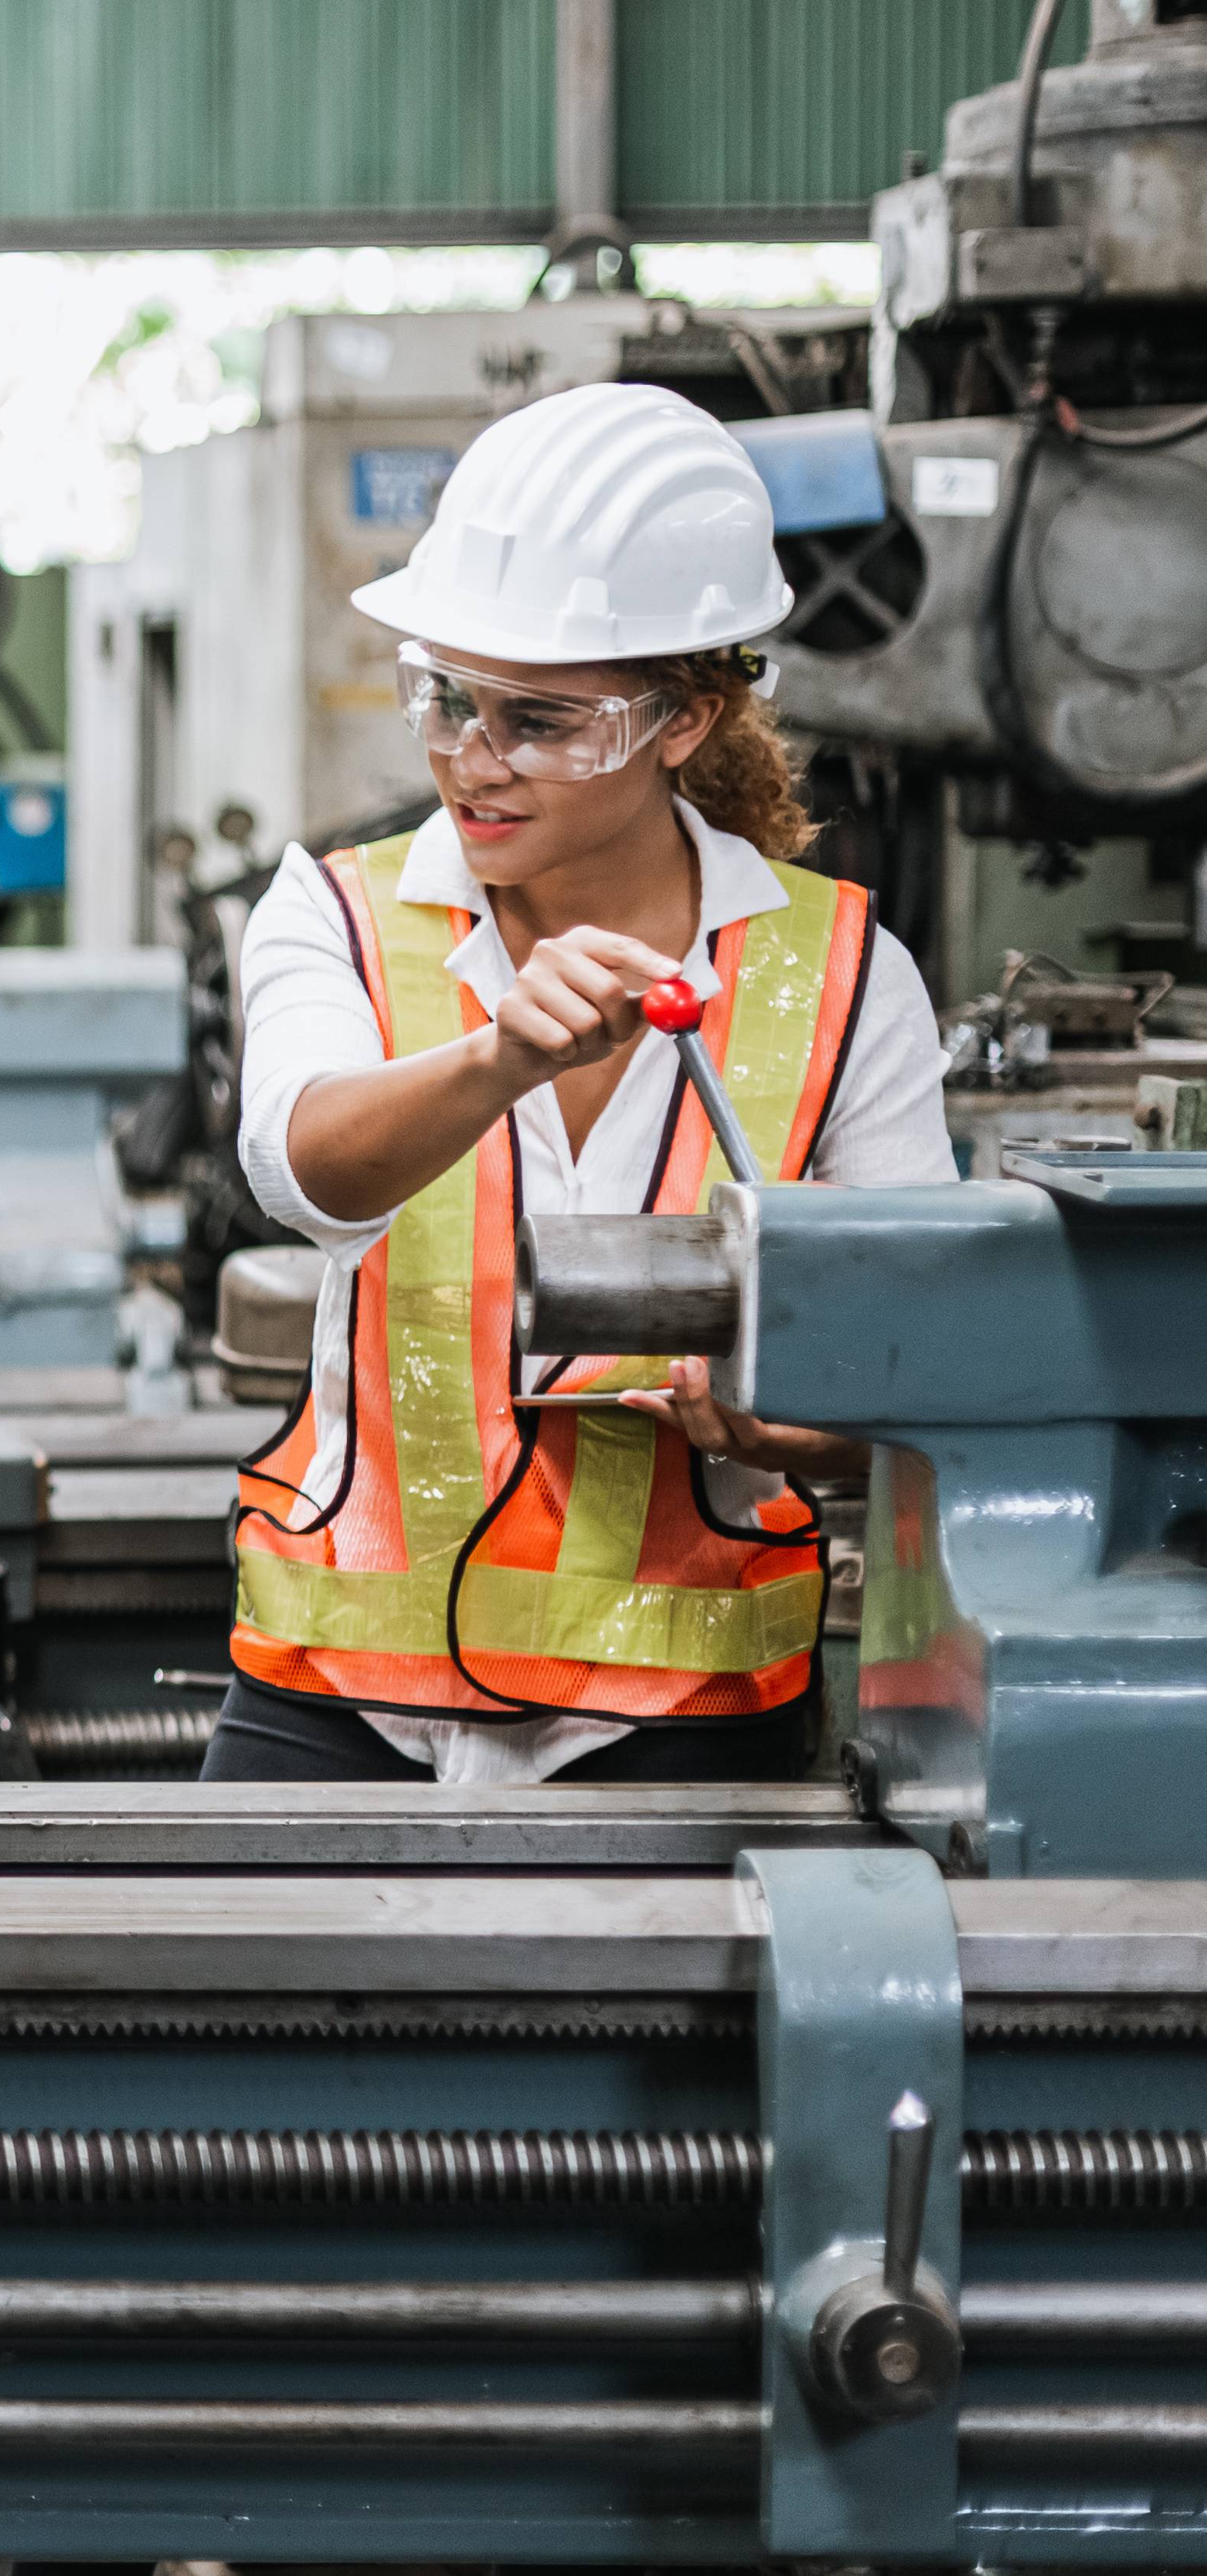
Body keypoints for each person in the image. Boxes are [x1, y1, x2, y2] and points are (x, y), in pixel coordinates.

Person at [210, 382, 953, 1786]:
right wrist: (498, 1057)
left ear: (683, 719)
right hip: (343, 1701)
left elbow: (919, 1374)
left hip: (684, 1723)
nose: (469, 760)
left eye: (540, 721)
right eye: (444, 698)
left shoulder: (845, 976)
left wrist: (798, 1429)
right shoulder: (337, 913)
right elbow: (301, 1174)